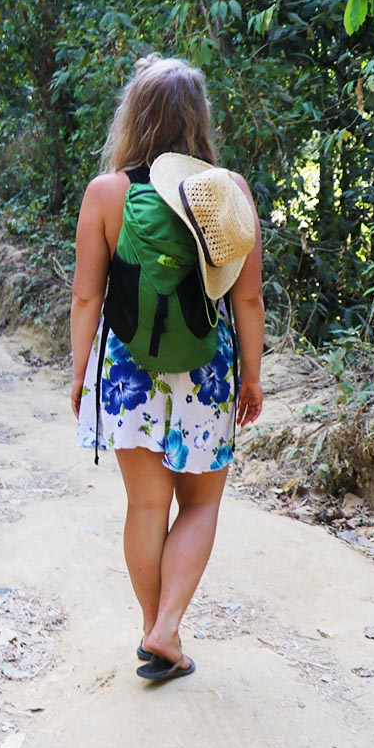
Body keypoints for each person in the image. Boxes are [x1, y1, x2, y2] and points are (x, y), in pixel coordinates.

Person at [69, 55, 265, 681]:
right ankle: (166, 631)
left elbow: (85, 297)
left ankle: (156, 633)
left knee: (146, 506)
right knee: (201, 504)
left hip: (128, 368)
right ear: (198, 121)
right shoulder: (229, 192)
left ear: (134, 118)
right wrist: (254, 378)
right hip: (208, 369)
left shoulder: (106, 194)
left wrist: (79, 374)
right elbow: (248, 299)